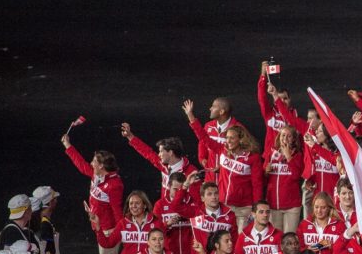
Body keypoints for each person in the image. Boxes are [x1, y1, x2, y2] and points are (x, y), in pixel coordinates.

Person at [61, 134, 124, 254]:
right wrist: (68, 146)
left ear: (102, 166)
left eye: (94, 161)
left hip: (108, 232)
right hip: (100, 229)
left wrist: (115, 234)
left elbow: (118, 212)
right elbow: (82, 166)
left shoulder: (114, 185)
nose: (91, 163)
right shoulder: (99, 177)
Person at [183, 99, 263, 231]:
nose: (228, 141)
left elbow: (257, 184)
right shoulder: (223, 150)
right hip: (224, 205)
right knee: (223, 240)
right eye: (227, 137)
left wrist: (256, 207)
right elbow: (204, 139)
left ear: (240, 139)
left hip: (243, 208)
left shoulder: (252, 158)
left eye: (232, 138)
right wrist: (191, 117)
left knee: (240, 242)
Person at [120, 124, 197, 198]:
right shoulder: (163, 165)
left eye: (161, 151)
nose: (159, 154)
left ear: (170, 152)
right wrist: (130, 136)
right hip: (164, 210)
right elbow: (147, 152)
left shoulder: (191, 172)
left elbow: (196, 198)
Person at [264, 125, 305, 233]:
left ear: (294, 139)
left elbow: (297, 176)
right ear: (279, 136)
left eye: (289, 136)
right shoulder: (272, 153)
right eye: (283, 135)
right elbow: (263, 177)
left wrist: (288, 157)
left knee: (289, 238)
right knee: (276, 238)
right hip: (274, 205)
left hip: (291, 206)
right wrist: (266, 171)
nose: (285, 138)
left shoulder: (298, 155)